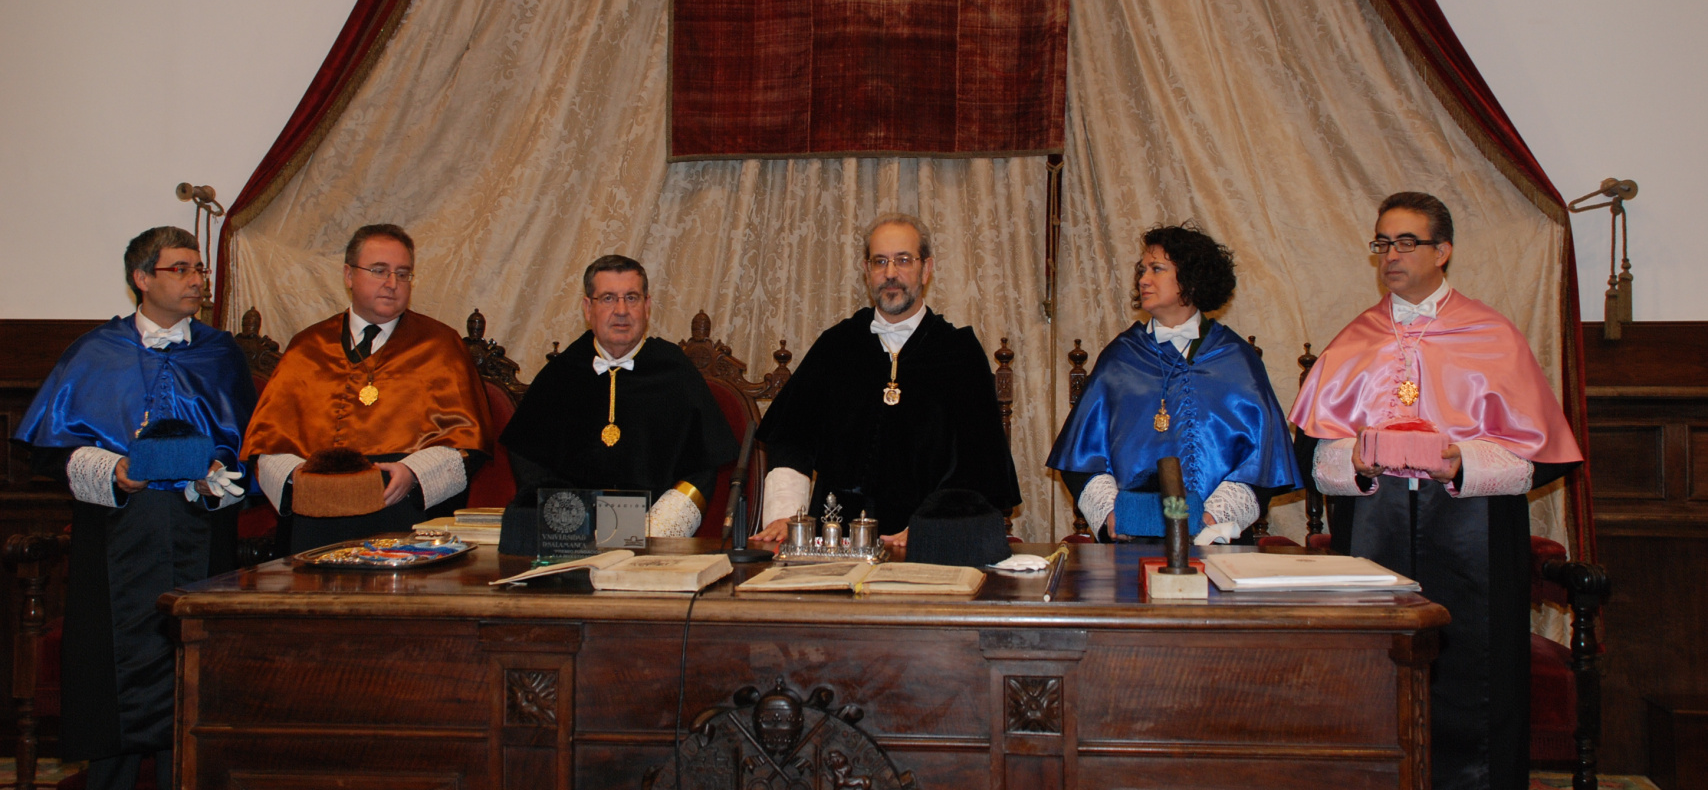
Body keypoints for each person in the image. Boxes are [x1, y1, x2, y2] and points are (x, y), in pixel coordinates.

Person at [1289, 192, 1582, 790]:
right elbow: (1312, 457)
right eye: (1382, 243)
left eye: (1405, 242)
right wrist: (1358, 460)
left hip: (1474, 535)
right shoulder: (1355, 339)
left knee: (1476, 679)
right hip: (1375, 535)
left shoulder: (1491, 335)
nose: (1390, 256)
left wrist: (1462, 462)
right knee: (1375, 676)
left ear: (1442, 250)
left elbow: (1541, 455)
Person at [13, 227, 255, 790]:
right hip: (115, 539)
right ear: (142, 278)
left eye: (200, 269)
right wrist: (114, 470)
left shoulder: (220, 353)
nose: (197, 280)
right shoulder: (96, 352)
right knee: (113, 686)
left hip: (201, 538)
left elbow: (252, 446)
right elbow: (50, 452)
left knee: (192, 685)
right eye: (181, 269)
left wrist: (215, 476)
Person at [753, 214, 1021, 547]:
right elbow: (791, 439)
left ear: (926, 269)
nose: (890, 273)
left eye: (903, 260)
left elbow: (978, 465)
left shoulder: (959, 353)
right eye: (880, 261)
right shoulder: (836, 346)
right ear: (867, 271)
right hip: (835, 543)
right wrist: (786, 517)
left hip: (923, 545)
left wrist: (933, 527)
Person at [243, 224, 493, 552]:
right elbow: (266, 444)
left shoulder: (441, 346)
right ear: (349, 275)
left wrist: (414, 473)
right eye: (379, 271)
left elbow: (467, 444)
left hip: (404, 511)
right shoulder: (307, 348)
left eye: (403, 274)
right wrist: (296, 478)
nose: (392, 283)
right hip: (318, 514)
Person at [1048, 225, 1300, 544]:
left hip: (1217, 546)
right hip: (1130, 545)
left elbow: (1263, 461)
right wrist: (1113, 515)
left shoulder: (1236, 359)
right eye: (1142, 270)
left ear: (1191, 278)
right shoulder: (1119, 358)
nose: (1143, 279)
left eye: (1157, 269)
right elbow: (1081, 458)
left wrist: (1211, 519)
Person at [498, 254, 738, 536]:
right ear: (588, 308)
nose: (621, 310)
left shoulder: (676, 371)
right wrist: (569, 522)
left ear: (647, 306)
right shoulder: (562, 373)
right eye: (608, 298)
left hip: (655, 535)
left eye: (631, 298)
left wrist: (653, 532)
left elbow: (701, 469)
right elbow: (528, 459)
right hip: (571, 535)